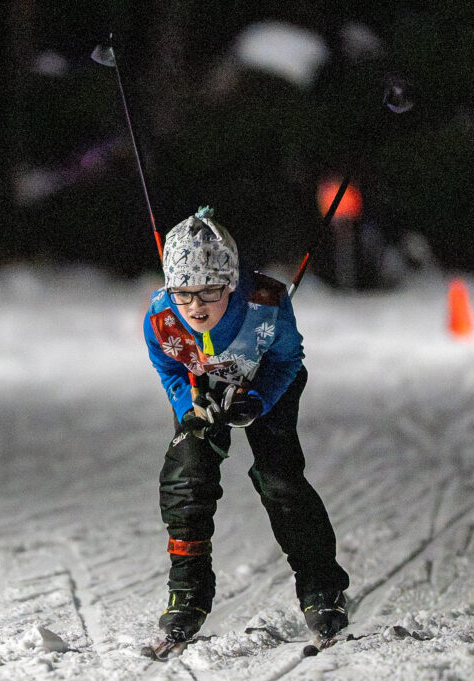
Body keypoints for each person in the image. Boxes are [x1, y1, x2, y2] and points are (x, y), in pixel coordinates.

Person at [143, 206, 350, 643]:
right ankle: (188, 593)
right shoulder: (162, 318)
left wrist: (256, 401)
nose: (195, 307)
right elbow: (169, 368)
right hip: (206, 391)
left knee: (279, 477)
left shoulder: (267, 306)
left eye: (209, 292)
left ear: (231, 283)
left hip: (267, 383)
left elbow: (289, 360)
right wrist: (190, 405)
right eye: (184, 292)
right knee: (185, 475)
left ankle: (321, 586)